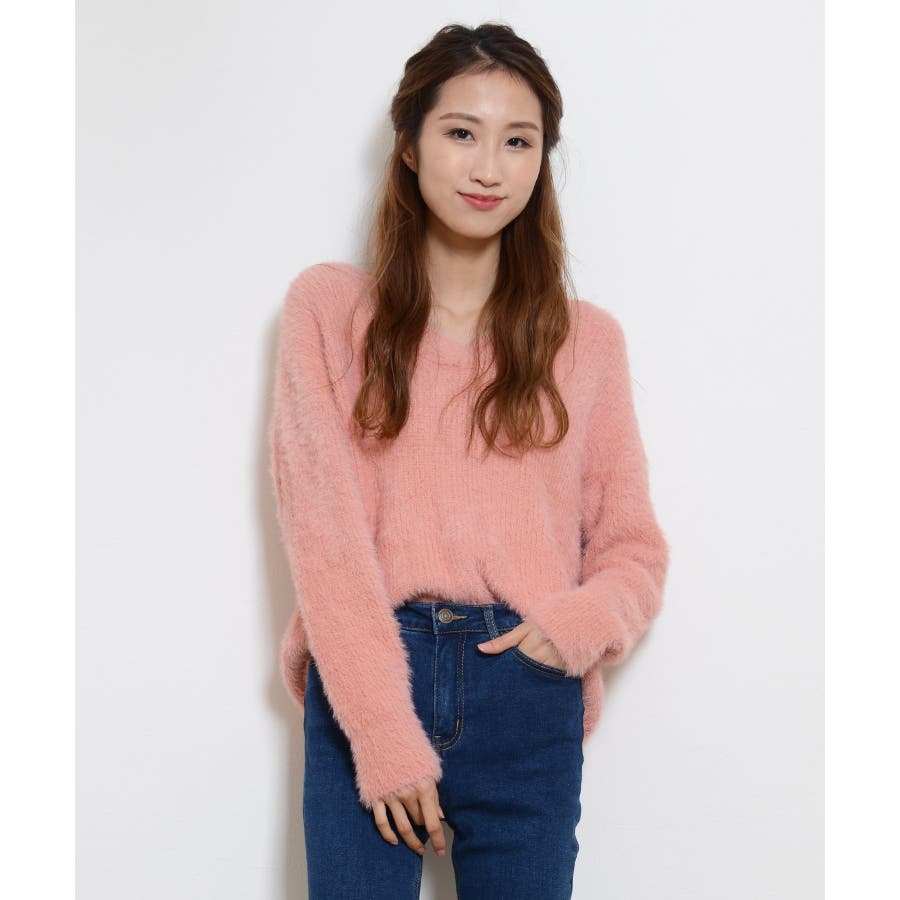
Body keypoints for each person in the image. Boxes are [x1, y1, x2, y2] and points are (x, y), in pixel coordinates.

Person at [268, 22, 670, 900]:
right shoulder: (328, 311)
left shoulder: (587, 343)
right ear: (410, 146)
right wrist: (382, 734)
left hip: (523, 685)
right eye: (461, 132)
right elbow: (325, 540)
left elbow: (634, 552)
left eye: (518, 141)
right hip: (368, 678)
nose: (489, 168)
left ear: (541, 162)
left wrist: (565, 634)